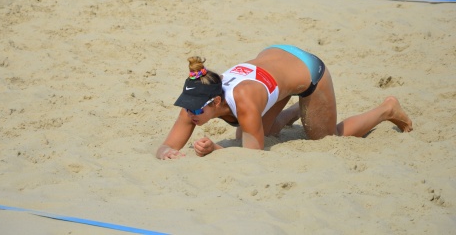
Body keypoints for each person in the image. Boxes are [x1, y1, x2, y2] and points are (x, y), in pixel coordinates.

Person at [156, 44, 413, 160]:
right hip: (274, 57)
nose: (190, 113)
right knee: (253, 130)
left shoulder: (243, 101)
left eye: (195, 108)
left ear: (214, 102)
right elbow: (166, 145)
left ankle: (386, 108)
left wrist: (215, 149)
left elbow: (251, 155)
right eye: (187, 104)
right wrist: (166, 151)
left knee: (324, 137)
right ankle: (296, 108)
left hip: (309, 70)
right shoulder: (199, 94)